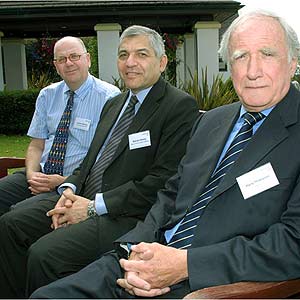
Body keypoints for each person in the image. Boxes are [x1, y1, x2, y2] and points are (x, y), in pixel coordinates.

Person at [31, 10, 300, 299]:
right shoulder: (212, 121)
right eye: (240, 56)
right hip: (144, 258)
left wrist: (185, 265)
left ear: (292, 62)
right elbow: (171, 193)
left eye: (267, 54)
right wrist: (133, 250)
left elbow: (292, 243)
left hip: (207, 283)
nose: (252, 70)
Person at [0, 25, 199, 298]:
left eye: (141, 54)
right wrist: (67, 191)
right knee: (11, 225)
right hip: (81, 195)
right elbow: (90, 162)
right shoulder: (115, 104)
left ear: (162, 62)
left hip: (125, 213)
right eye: (123, 55)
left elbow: (162, 182)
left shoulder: (178, 107)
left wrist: (93, 207)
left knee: (43, 254)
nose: (130, 63)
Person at [0, 36, 120, 215]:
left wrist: (62, 180)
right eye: (61, 59)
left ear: (87, 59)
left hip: (75, 184)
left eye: (74, 56)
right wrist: (32, 175)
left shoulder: (109, 98)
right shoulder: (47, 95)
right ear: (56, 66)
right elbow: (36, 144)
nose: (68, 63)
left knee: (16, 216)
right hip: (41, 174)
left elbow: (108, 157)